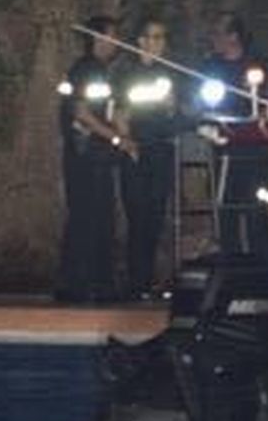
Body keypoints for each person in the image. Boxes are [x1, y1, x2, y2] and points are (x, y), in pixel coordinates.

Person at [56, 15, 133, 303]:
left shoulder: (102, 71)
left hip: (98, 157)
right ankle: (80, 284)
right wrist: (116, 138)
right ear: (98, 38)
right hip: (85, 156)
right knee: (87, 217)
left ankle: (94, 282)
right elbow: (81, 112)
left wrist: (122, 134)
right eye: (112, 36)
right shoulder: (86, 69)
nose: (117, 42)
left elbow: (109, 111)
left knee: (100, 217)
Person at [195, 12, 268, 262]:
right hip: (223, 150)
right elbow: (200, 103)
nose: (214, 39)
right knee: (225, 209)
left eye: (218, 33)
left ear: (233, 36)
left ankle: (263, 265)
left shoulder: (258, 64)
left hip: (254, 151)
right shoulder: (210, 67)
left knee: (256, 208)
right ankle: (230, 263)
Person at [114, 18, 179, 298]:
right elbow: (120, 112)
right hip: (137, 151)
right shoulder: (128, 74)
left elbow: (171, 111)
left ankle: (148, 279)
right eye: (153, 37)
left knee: (155, 217)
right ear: (140, 41)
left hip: (161, 150)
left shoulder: (167, 74)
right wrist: (126, 141)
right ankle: (135, 282)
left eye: (162, 37)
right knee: (138, 216)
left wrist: (171, 106)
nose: (158, 43)